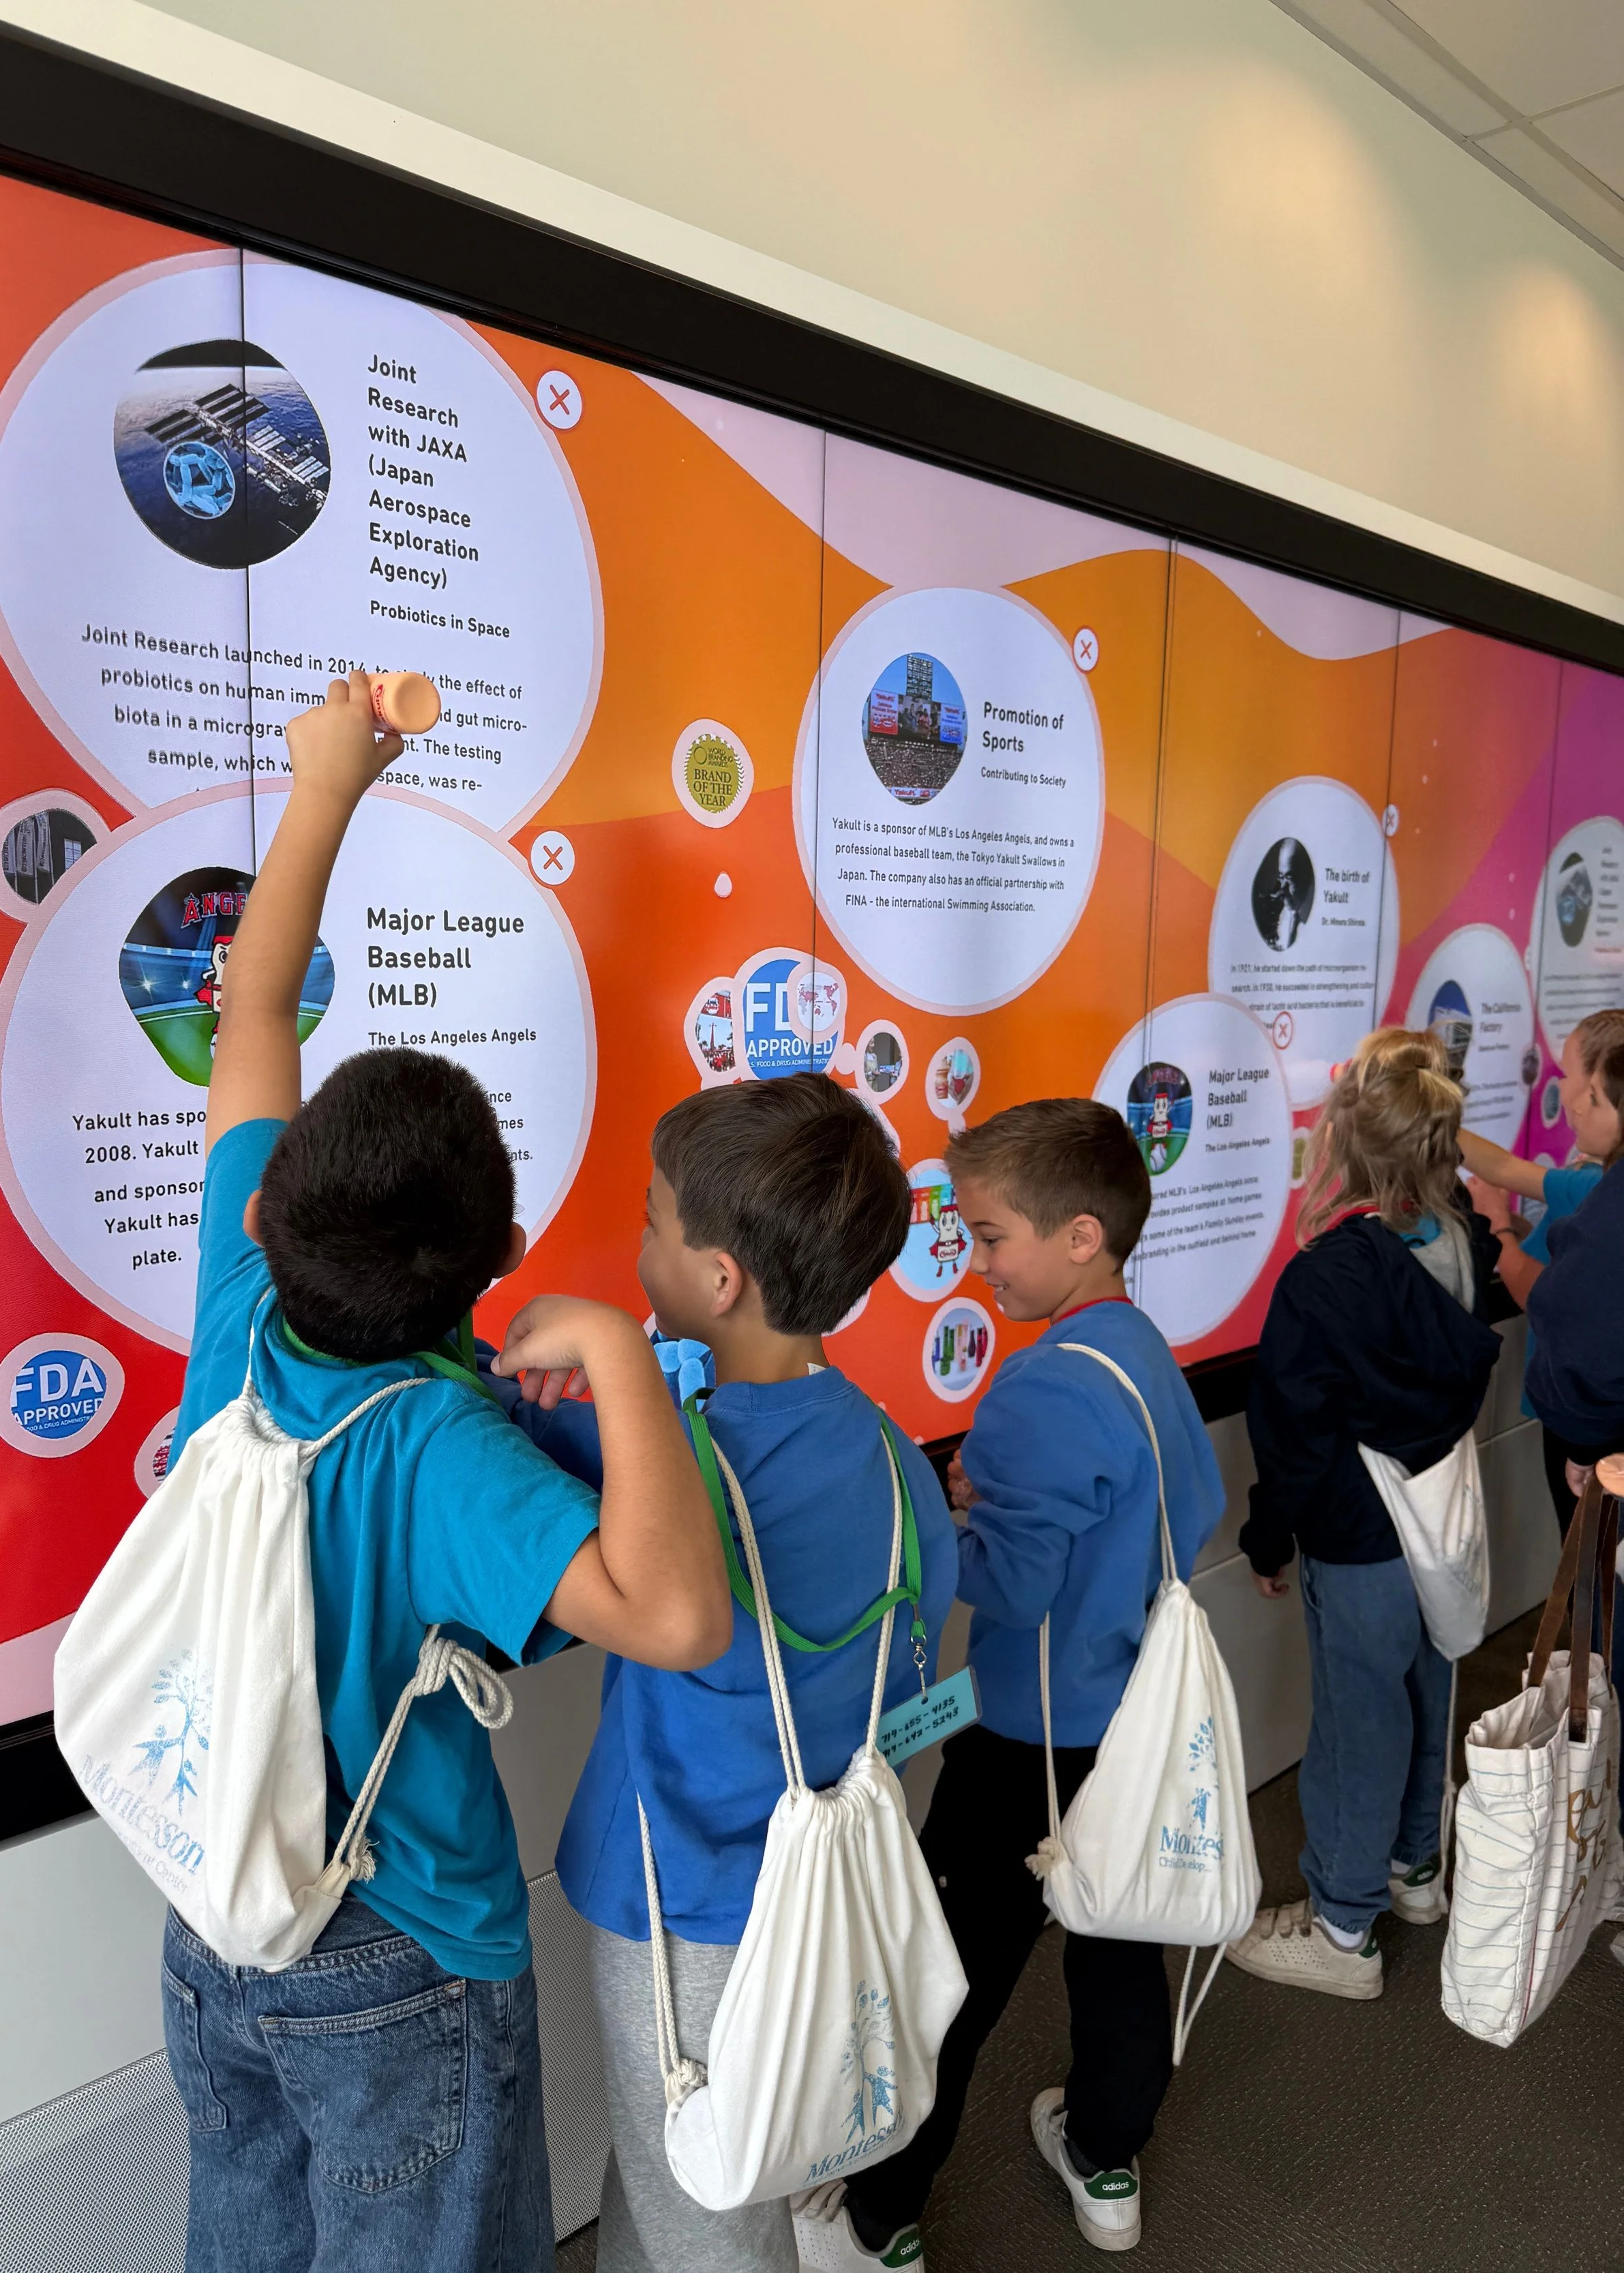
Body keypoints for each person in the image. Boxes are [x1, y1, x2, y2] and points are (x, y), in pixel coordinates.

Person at [160, 672, 730, 2273]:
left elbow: (256, 1009)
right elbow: (678, 1615)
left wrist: (326, 784)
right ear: (491, 1263)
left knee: (246, 2237)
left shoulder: (240, 1309)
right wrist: (616, 1356)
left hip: (215, 1914)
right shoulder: (445, 1448)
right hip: (397, 1949)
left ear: (269, 1210)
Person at [520, 1073, 959, 2273]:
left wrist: (604, 1379)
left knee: (707, 2216)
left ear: (719, 1279)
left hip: (687, 1913)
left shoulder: (663, 1455)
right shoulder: (889, 1444)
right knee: (686, 2165)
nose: (640, 1238)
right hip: (828, 1892)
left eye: (656, 1219)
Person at [798, 1099, 1224, 2263]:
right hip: (1126, 1719)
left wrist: (943, 1518)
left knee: (950, 1972)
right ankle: (1107, 2156)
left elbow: (1015, 1587)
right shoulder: (1140, 1349)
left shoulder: (1040, 1388)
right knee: (1119, 1938)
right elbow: (1192, 1510)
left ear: (1080, 1235)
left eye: (992, 1238)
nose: (978, 1265)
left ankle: (881, 2215)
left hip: (1028, 1740)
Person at [1228, 1030, 1499, 2004]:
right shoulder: (1464, 1236)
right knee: (1428, 1686)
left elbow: (1293, 1436)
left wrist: (1269, 1536)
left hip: (1357, 1533)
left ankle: (1343, 1927)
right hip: (1442, 1520)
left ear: (1344, 1147)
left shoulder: (1327, 1277)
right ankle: (1415, 1867)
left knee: (1355, 1717)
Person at [1462, 1009, 1624, 1531]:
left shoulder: (1600, 1195)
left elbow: (1557, 1300)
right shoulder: (1594, 1184)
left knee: (1590, 1577)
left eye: (1583, 1085)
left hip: (1595, 1435)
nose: (1569, 1097)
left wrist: (1498, 1231)